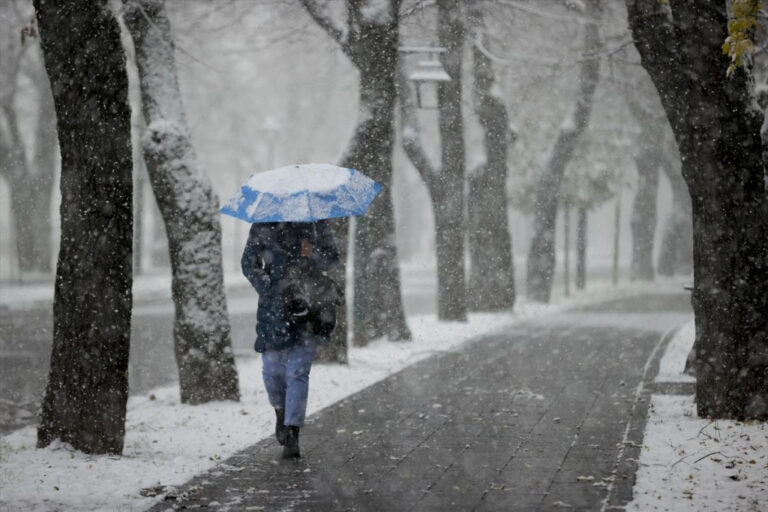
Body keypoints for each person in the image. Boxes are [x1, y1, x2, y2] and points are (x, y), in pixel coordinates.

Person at [241, 220, 340, 458]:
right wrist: (267, 286)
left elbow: (332, 258)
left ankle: (293, 430)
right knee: (272, 371)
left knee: (297, 372)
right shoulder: (263, 224)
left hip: (309, 309)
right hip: (273, 311)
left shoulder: (316, 224)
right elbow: (248, 262)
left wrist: (313, 253)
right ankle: (280, 410)